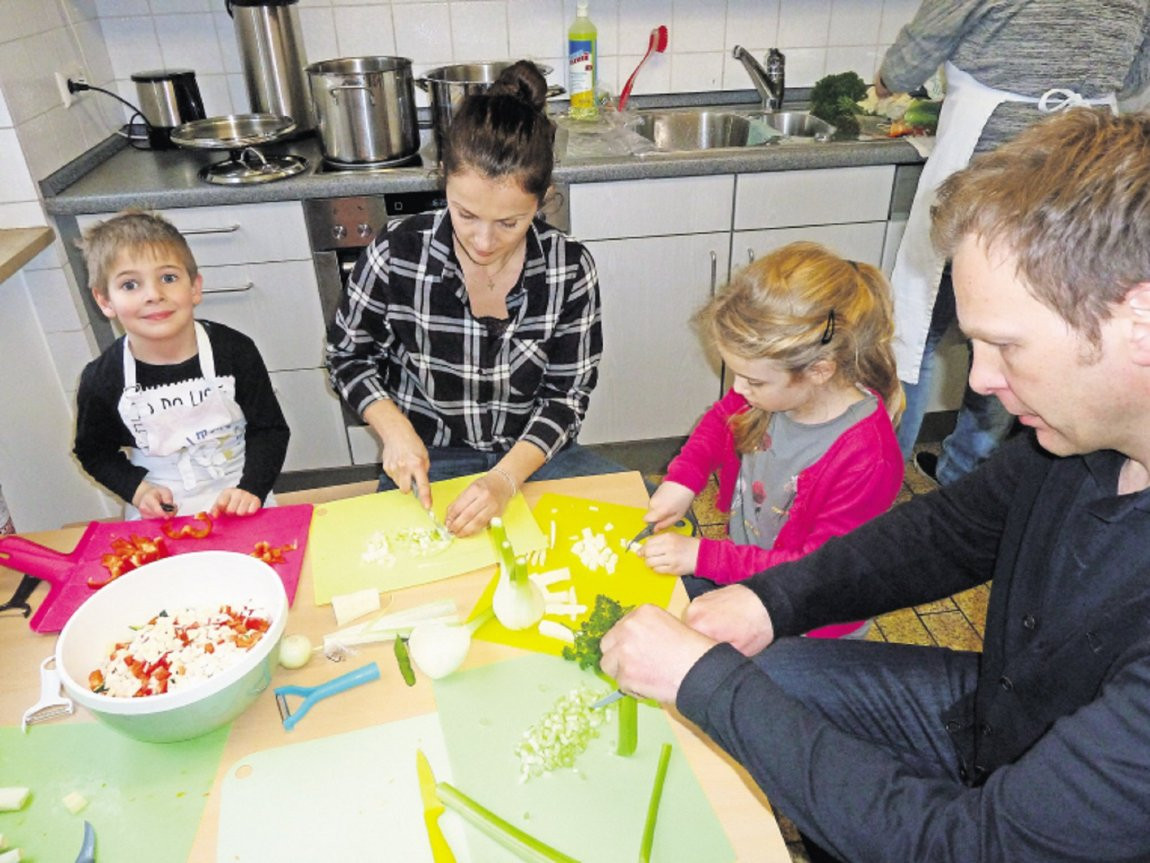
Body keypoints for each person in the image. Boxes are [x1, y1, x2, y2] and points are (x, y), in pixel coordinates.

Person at [599, 109, 1150, 862]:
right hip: (1000, 713)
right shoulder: (1079, 437)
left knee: (754, 703)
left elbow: (982, 846)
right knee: (774, 672)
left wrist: (709, 685)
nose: (981, 380)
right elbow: (947, 532)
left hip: (1020, 825)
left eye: (1005, 345)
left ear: (1140, 318)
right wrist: (774, 598)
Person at [326, 60, 619, 538]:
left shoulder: (569, 268)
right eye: (465, 214)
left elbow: (566, 398)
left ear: (542, 198)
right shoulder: (396, 250)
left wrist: (504, 478)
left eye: (509, 223)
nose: (483, 242)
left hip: (533, 458)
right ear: (443, 177)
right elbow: (347, 355)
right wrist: (394, 429)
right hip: (433, 456)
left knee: (646, 534)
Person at [882, 0, 1150, 485]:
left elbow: (904, 69)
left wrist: (887, 82)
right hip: (1083, 176)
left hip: (988, 170)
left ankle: (880, 478)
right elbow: (1134, 79)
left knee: (917, 334)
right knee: (1025, 340)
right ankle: (963, 478)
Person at [639, 243, 904, 638]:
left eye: (753, 380)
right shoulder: (771, 392)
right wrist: (683, 480)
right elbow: (720, 422)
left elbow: (812, 570)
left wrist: (705, 557)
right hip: (754, 575)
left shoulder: (868, 460)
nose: (739, 389)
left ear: (819, 370)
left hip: (811, 620)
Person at [74, 211, 289, 520]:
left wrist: (252, 488)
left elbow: (270, 430)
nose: (154, 295)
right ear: (105, 301)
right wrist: (139, 491)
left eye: (168, 278)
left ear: (194, 287)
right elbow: (93, 452)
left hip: (240, 495)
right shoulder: (102, 379)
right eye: (130, 285)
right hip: (158, 511)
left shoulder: (235, 351)